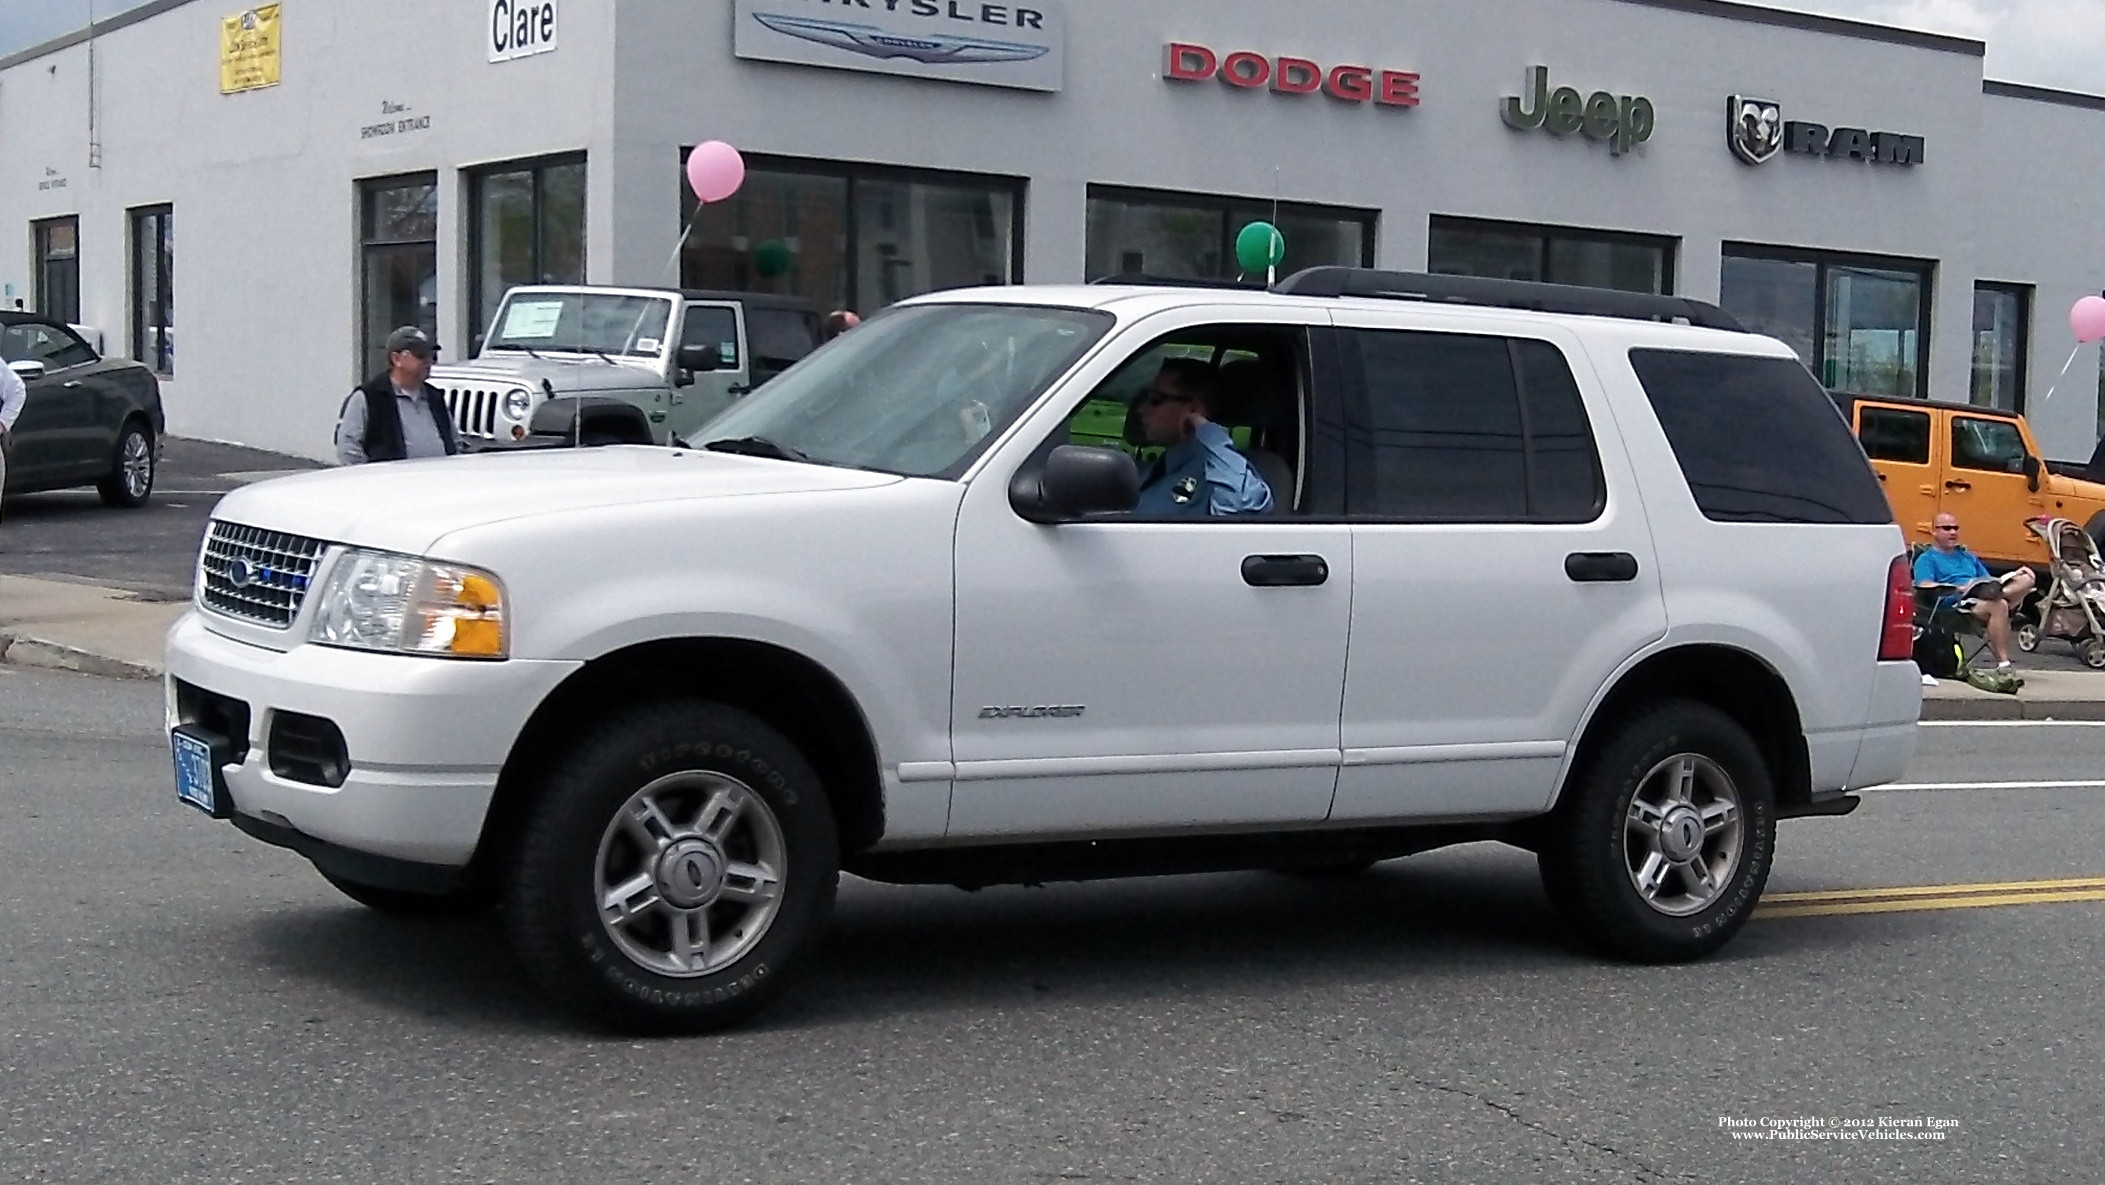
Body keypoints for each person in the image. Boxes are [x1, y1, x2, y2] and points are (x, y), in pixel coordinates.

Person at [1132, 357, 1272, 517]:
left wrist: (1207, 431)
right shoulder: (1153, 471)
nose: (1141, 409)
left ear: (1193, 408)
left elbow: (1243, 505)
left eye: (1155, 399)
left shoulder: (1217, 477)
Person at [1914, 512, 2036, 671]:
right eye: (1947, 528)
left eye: (1955, 528)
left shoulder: (1967, 556)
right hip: (1955, 605)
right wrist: (1957, 588)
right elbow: (1923, 584)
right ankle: (2003, 662)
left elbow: (1987, 578)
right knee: (2000, 606)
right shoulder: (1927, 558)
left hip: (1982, 594)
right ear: (1934, 531)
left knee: (2027, 578)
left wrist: (2012, 576)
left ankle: (2003, 594)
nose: (1953, 532)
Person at [335, 326, 460, 465]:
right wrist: (370, 481)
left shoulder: (435, 397)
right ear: (396, 359)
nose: (429, 361)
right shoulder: (369, 397)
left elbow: (455, 442)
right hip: (393, 483)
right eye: (421, 355)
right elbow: (348, 448)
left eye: (432, 355)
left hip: (437, 480)